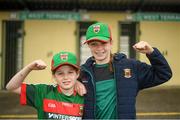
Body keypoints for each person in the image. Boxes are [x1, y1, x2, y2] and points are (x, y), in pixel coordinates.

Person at [78, 22, 172, 119]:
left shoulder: (131, 67)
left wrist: (151, 52)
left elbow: (164, 74)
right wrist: (76, 83)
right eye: (94, 44)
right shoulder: (83, 74)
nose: (99, 48)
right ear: (88, 45)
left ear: (111, 43)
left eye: (103, 43)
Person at [6, 51, 84, 119]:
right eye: (60, 73)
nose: (66, 77)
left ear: (77, 74)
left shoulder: (84, 96)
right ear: (54, 76)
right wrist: (29, 67)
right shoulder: (43, 92)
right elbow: (11, 87)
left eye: (70, 72)